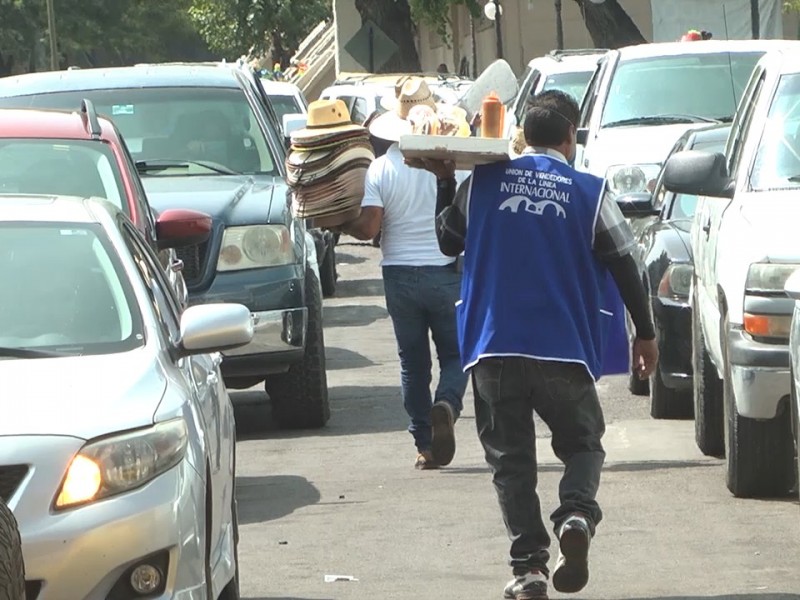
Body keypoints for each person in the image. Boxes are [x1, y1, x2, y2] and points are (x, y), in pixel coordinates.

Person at [414, 89, 659, 599]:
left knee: (511, 462)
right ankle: (575, 513)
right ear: (570, 138)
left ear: (521, 138)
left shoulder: (480, 185)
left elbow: (446, 240)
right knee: (584, 444)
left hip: (493, 349)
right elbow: (624, 262)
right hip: (562, 349)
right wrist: (647, 333)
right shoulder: (590, 191)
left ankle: (529, 570)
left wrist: (444, 182)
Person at [337, 78, 470, 470]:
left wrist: (340, 225)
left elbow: (369, 228)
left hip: (398, 275)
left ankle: (424, 444)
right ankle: (446, 403)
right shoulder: (454, 167)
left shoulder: (381, 168)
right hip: (447, 272)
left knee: (412, 363)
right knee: (456, 354)